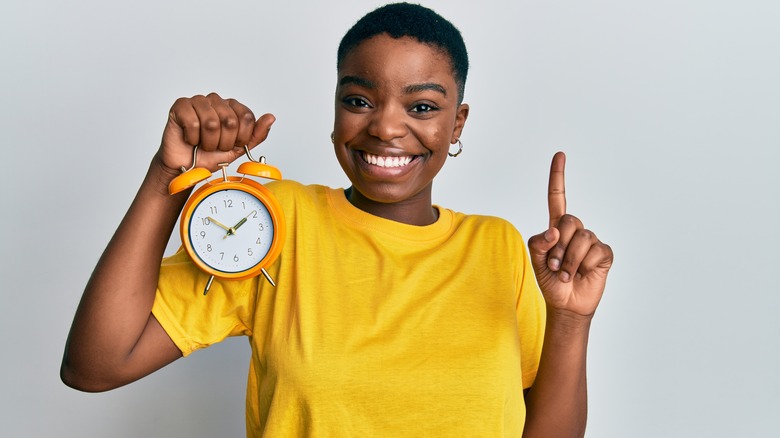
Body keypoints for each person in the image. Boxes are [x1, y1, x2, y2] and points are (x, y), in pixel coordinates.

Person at [61, 3, 613, 437]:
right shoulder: (278, 221)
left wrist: (571, 320)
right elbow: (96, 365)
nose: (387, 128)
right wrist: (167, 179)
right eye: (359, 99)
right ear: (335, 106)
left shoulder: (500, 248)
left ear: (457, 122)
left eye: (422, 107)